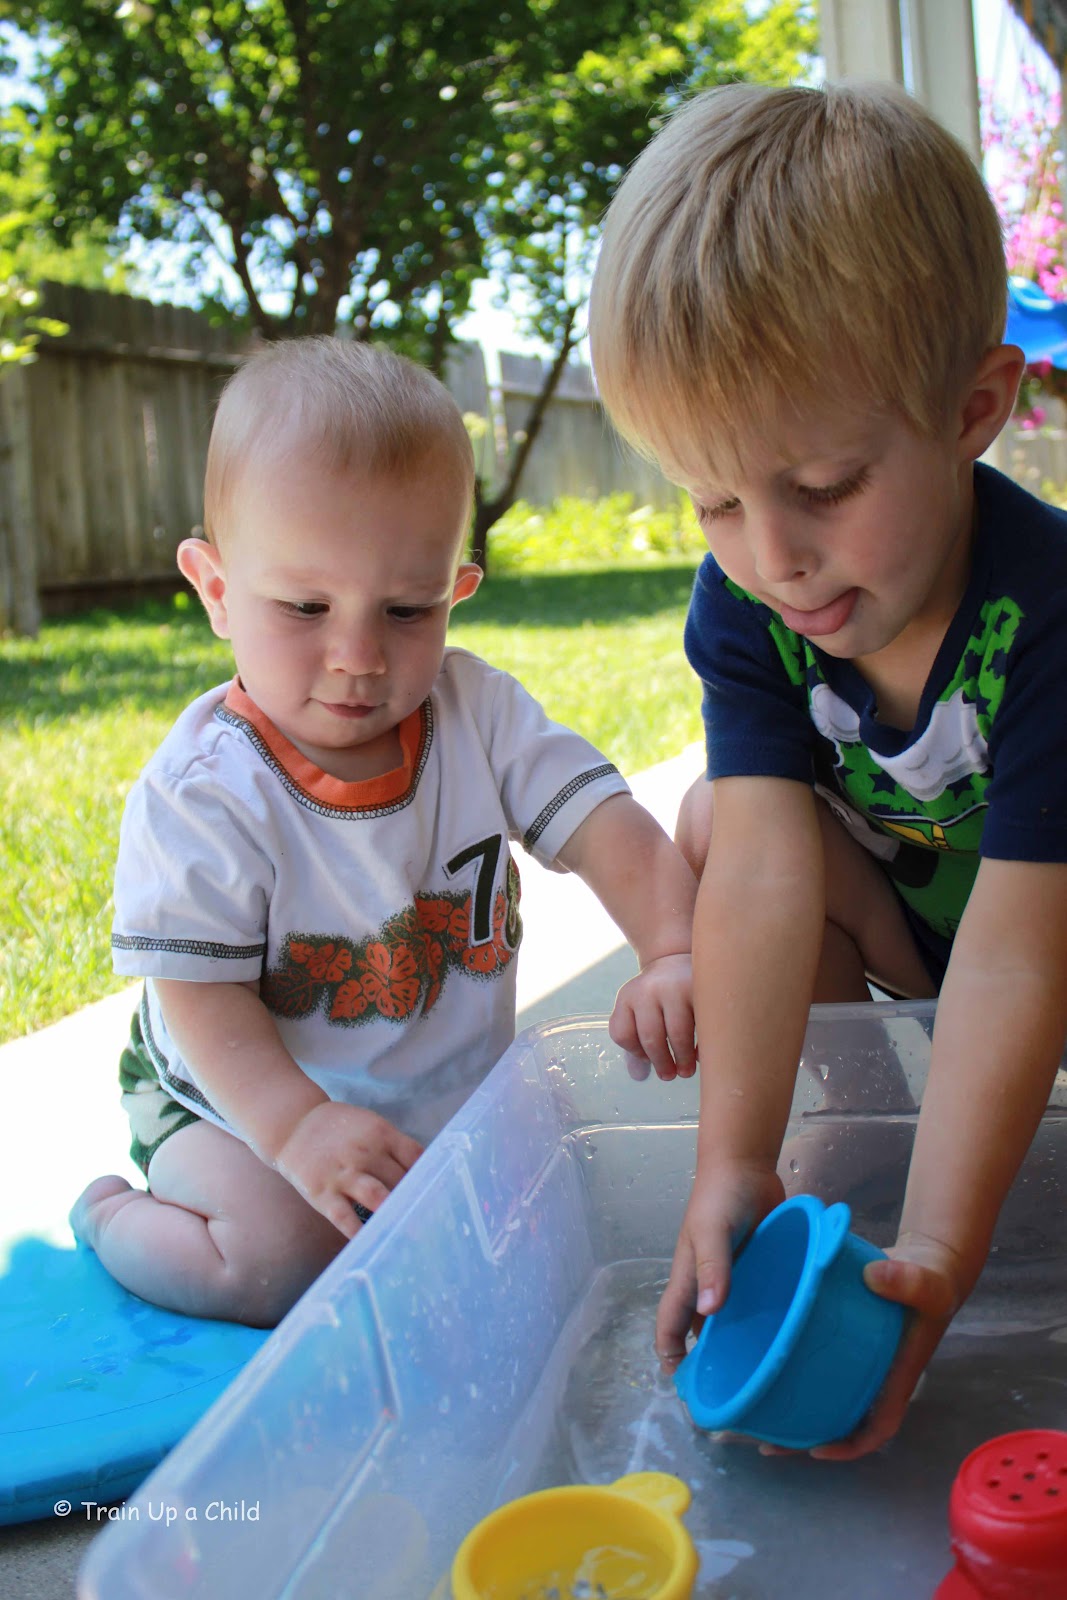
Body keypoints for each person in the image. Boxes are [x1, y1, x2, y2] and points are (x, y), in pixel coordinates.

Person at [588, 80, 1067, 1459]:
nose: (769, 555)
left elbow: (1019, 954)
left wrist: (937, 1247)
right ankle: (851, 1136)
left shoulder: (1042, 612)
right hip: (918, 928)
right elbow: (749, 874)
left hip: (1040, 932)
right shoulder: (742, 602)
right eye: (713, 499)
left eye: (821, 484)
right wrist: (727, 1162)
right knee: (721, 816)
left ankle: (927, 1174)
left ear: (974, 406)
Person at [71, 337, 698, 1327]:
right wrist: (296, 1127)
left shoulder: (479, 714)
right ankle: (113, 1216)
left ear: (455, 592)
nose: (358, 655)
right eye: (305, 606)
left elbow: (604, 826)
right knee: (285, 1263)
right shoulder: (207, 791)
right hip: (232, 1104)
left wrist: (672, 946)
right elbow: (196, 994)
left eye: (405, 609)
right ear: (216, 590)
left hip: (440, 1095)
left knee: (558, 1210)